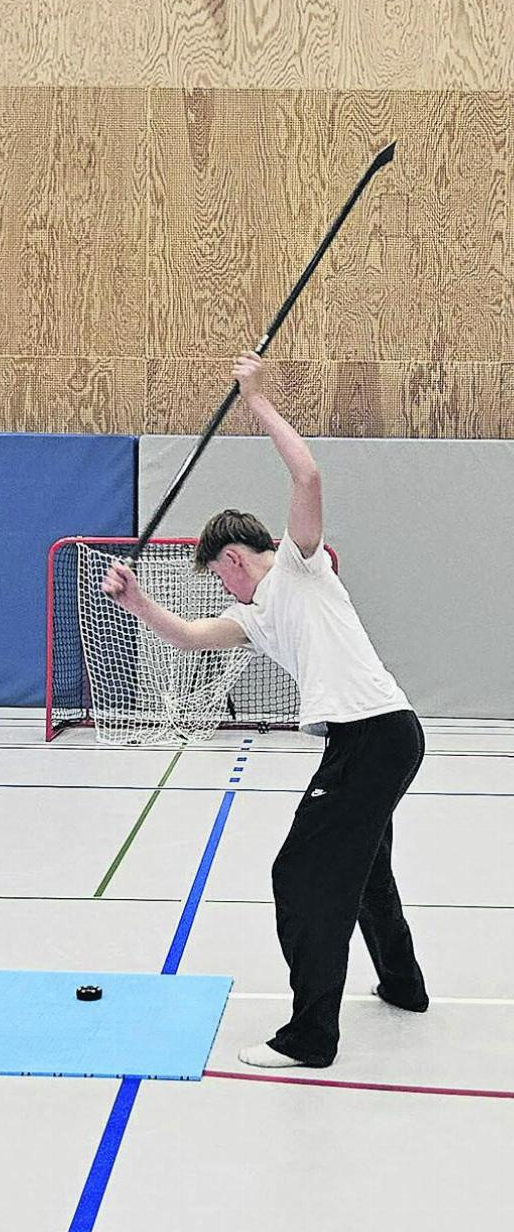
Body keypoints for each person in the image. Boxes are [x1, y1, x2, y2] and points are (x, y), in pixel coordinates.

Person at [102, 350, 429, 1069]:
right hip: (377, 738)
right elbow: (190, 637)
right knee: (367, 867)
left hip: (375, 737)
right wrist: (135, 601)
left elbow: (307, 475)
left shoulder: (299, 567)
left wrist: (259, 401)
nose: (218, 581)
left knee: (302, 873)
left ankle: (311, 1036)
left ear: (234, 558)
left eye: (216, 569)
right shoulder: (254, 614)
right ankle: (404, 986)